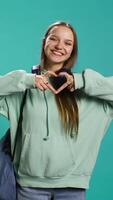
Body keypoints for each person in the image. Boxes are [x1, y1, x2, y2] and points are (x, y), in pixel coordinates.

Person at [0, 21, 113, 200]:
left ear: (72, 50)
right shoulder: (23, 89)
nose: (59, 46)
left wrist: (81, 81)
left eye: (67, 43)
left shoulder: (86, 92)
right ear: (44, 42)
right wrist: (28, 80)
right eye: (54, 39)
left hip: (72, 187)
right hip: (29, 187)